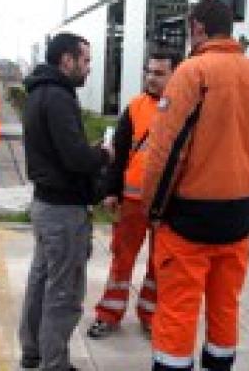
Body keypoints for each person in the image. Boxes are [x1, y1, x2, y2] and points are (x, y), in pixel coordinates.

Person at [142, 0, 249, 371]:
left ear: (198, 28)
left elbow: (165, 154)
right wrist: (238, 172)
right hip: (238, 216)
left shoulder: (192, 73)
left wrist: (153, 210)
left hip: (189, 219)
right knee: (225, 306)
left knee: (178, 310)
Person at [19, 32, 113, 370]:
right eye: (85, 60)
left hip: (45, 206)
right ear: (66, 60)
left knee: (41, 282)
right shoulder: (59, 97)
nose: (88, 68)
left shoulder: (37, 92)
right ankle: (54, 364)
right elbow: (75, 158)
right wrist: (103, 154)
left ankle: (33, 352)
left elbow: (60, 151)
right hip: (63, 212)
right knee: (65, 293)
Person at [86, 48, 182, 339]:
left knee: (159, 264)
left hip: (167, 204)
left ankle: (150, 315)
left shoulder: (184, 110)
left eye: (159, 73)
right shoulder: (135, 107)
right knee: (121, 260)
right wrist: (111, 191)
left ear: (175, 75)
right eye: (149, 71)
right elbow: (118, 154)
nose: (151, 78)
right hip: (131, 203)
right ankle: (109, 313)